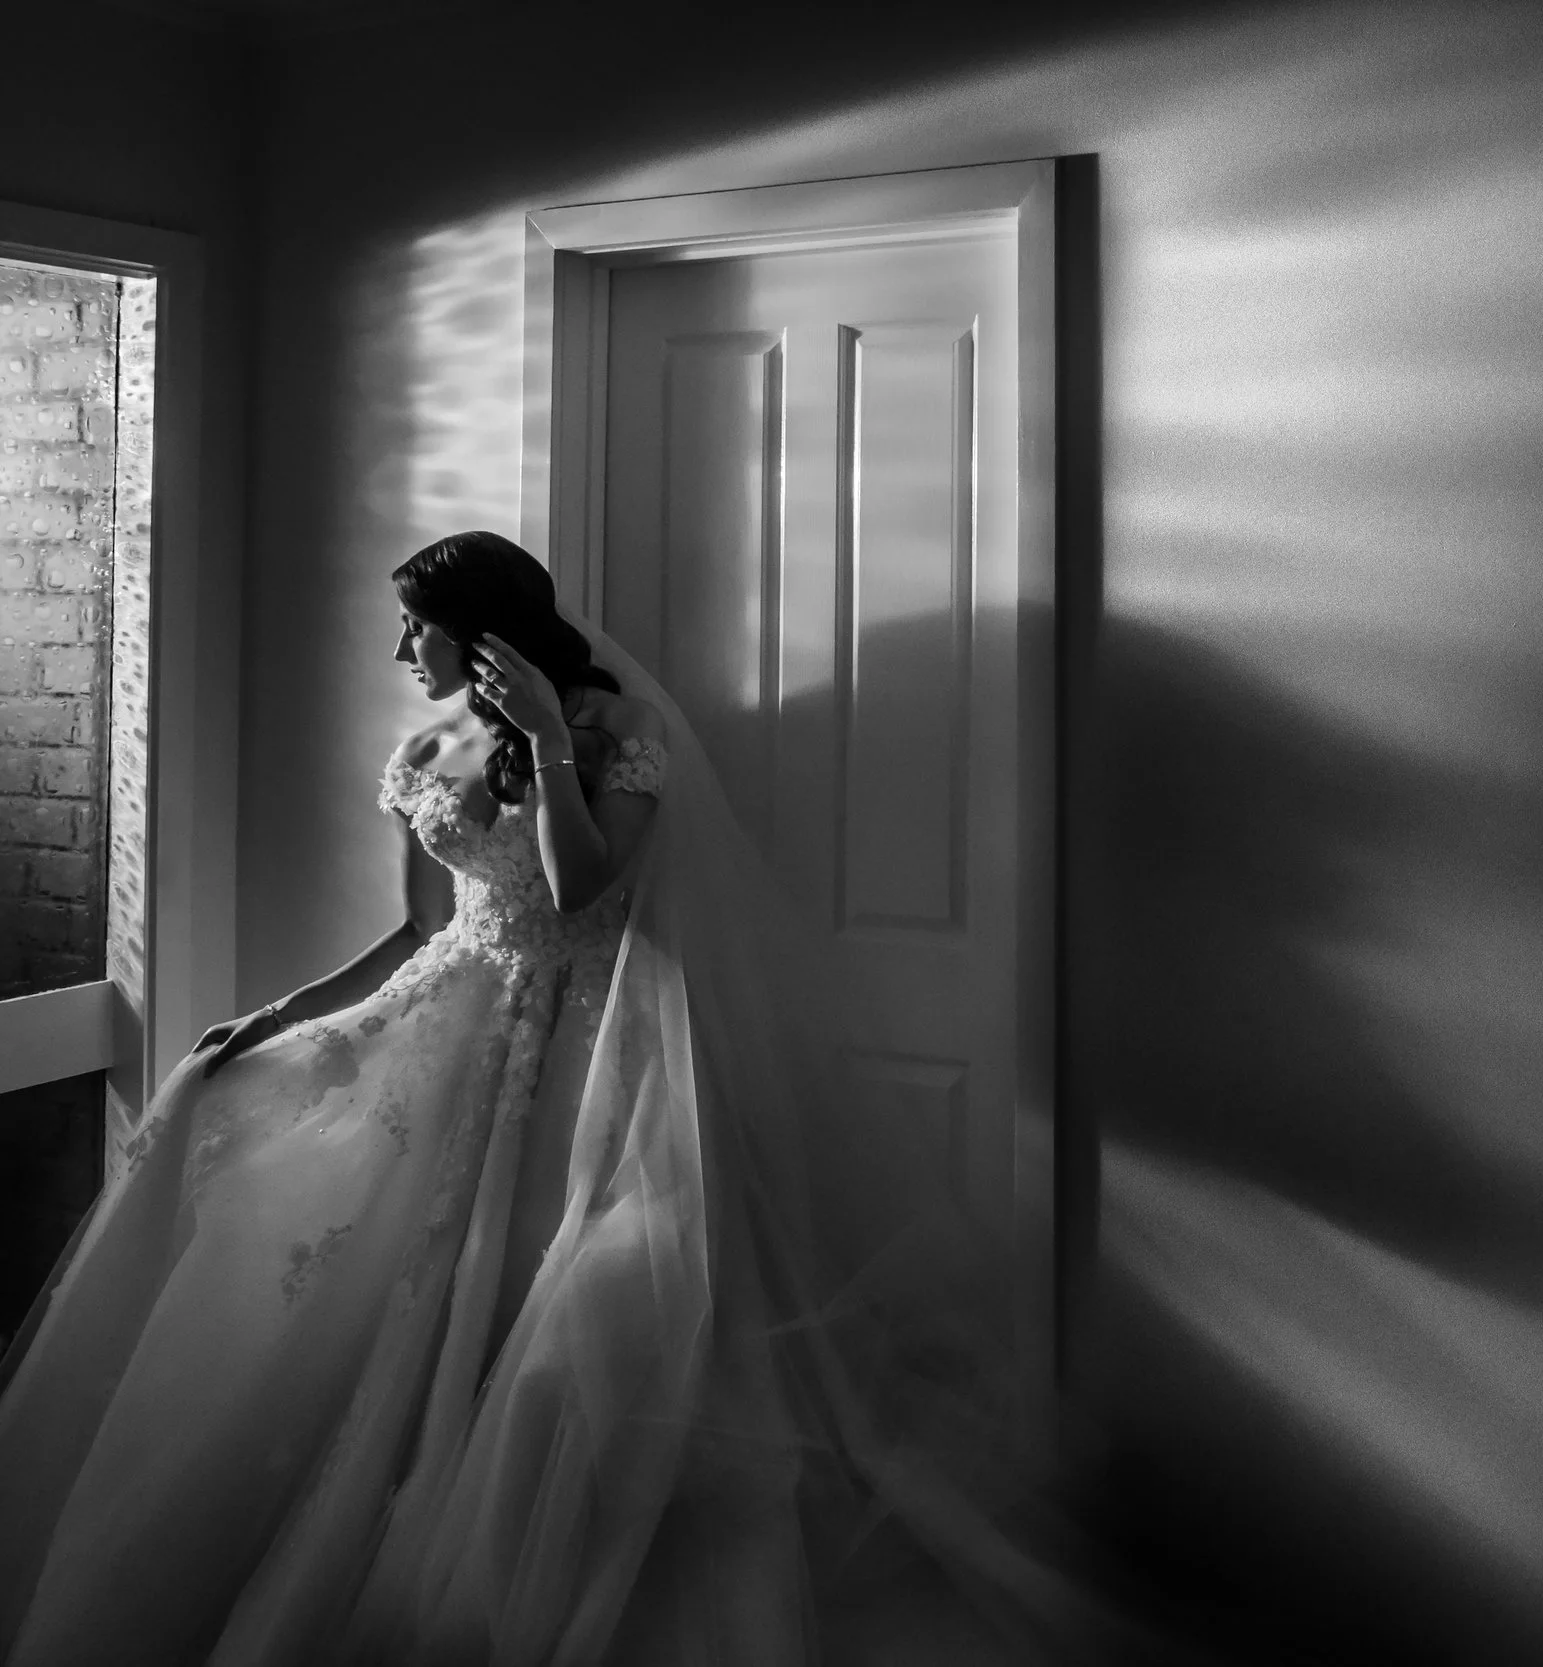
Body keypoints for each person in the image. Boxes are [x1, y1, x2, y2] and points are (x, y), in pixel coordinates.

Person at [0, 532, 1037, 1666]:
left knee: (563, 1291)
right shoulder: (424, 746)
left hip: (596, 1034)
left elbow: (579, 885)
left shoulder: (620, 730)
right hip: (454, 1019)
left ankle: (530, 1556)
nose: (401, 651)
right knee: (354, 1240)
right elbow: (419, 930)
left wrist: (547, 740)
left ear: (483, 630)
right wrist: (280, 1015)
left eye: (418, 628)